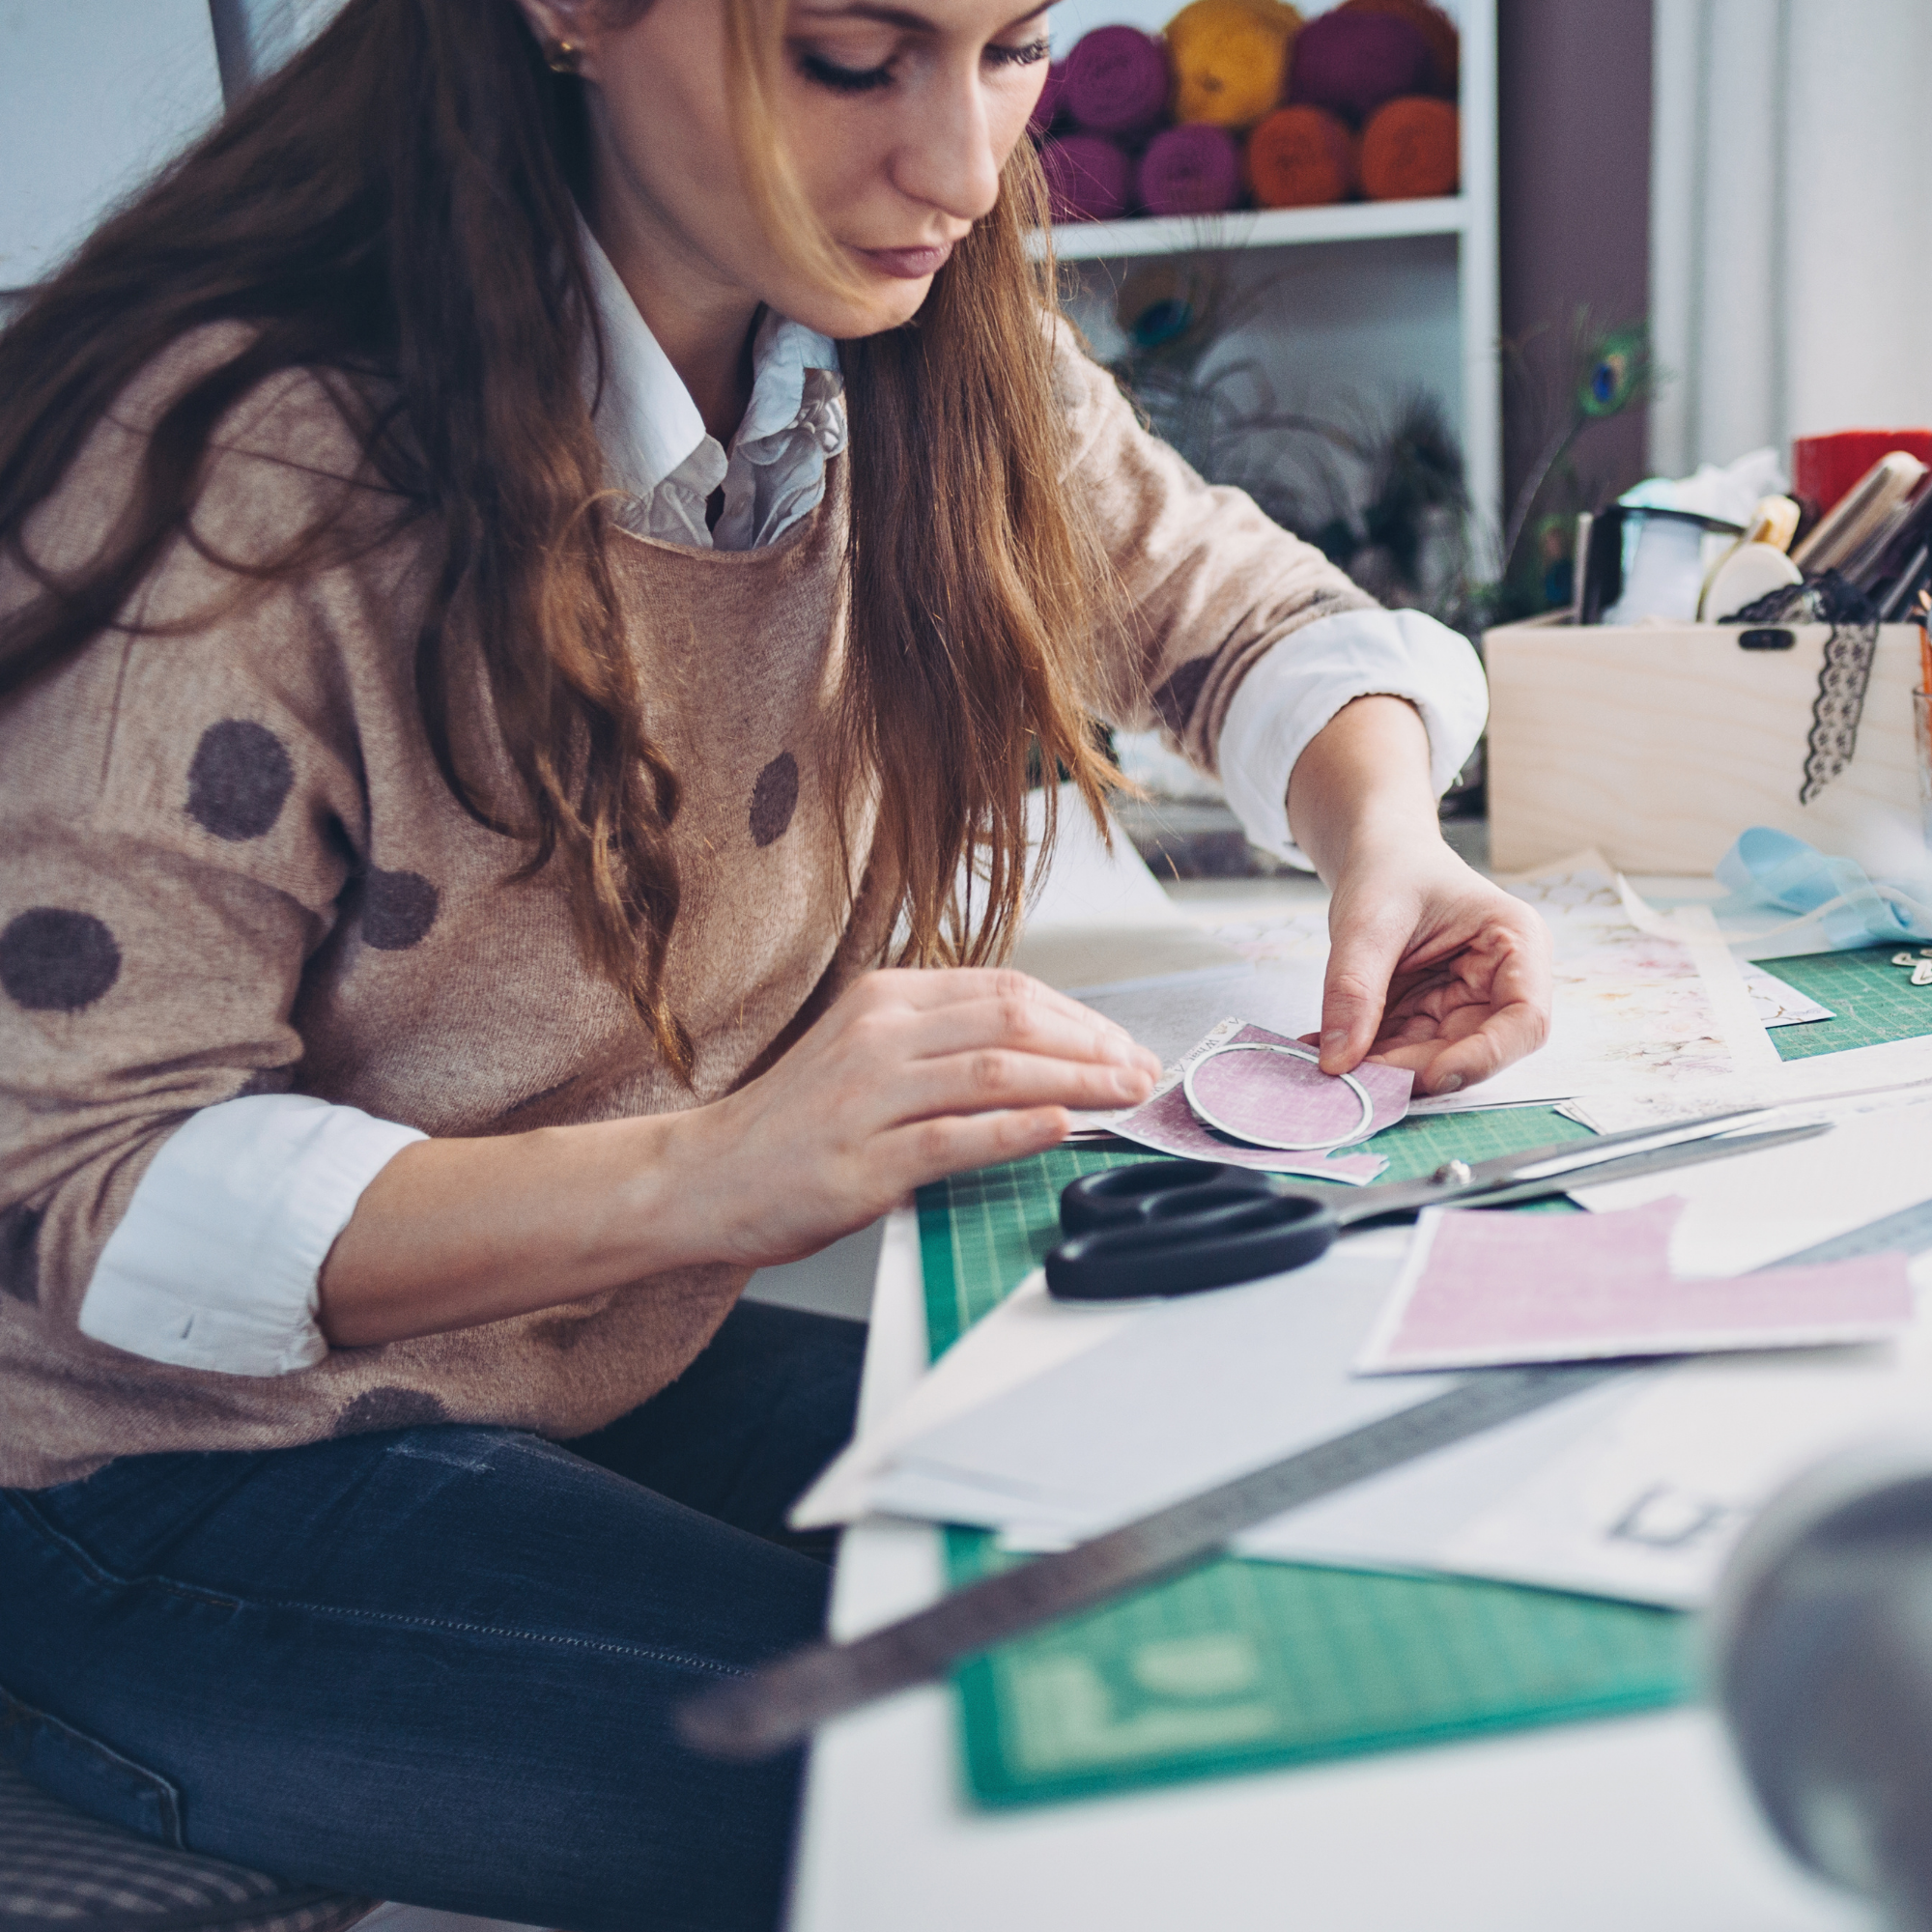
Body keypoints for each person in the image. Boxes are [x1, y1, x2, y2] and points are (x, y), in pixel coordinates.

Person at [0, 0, 1550, 1925]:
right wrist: (713, 1165)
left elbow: (1237, 610)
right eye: (848, 55)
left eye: (1011, 50)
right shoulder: (248, 454)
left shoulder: (893, 343)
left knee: (1332, 1590)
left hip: (577, 1364)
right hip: (142, 1481)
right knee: (1078, 1806)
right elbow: (76, 1188)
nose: (964, 168)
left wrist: (1383, 840)